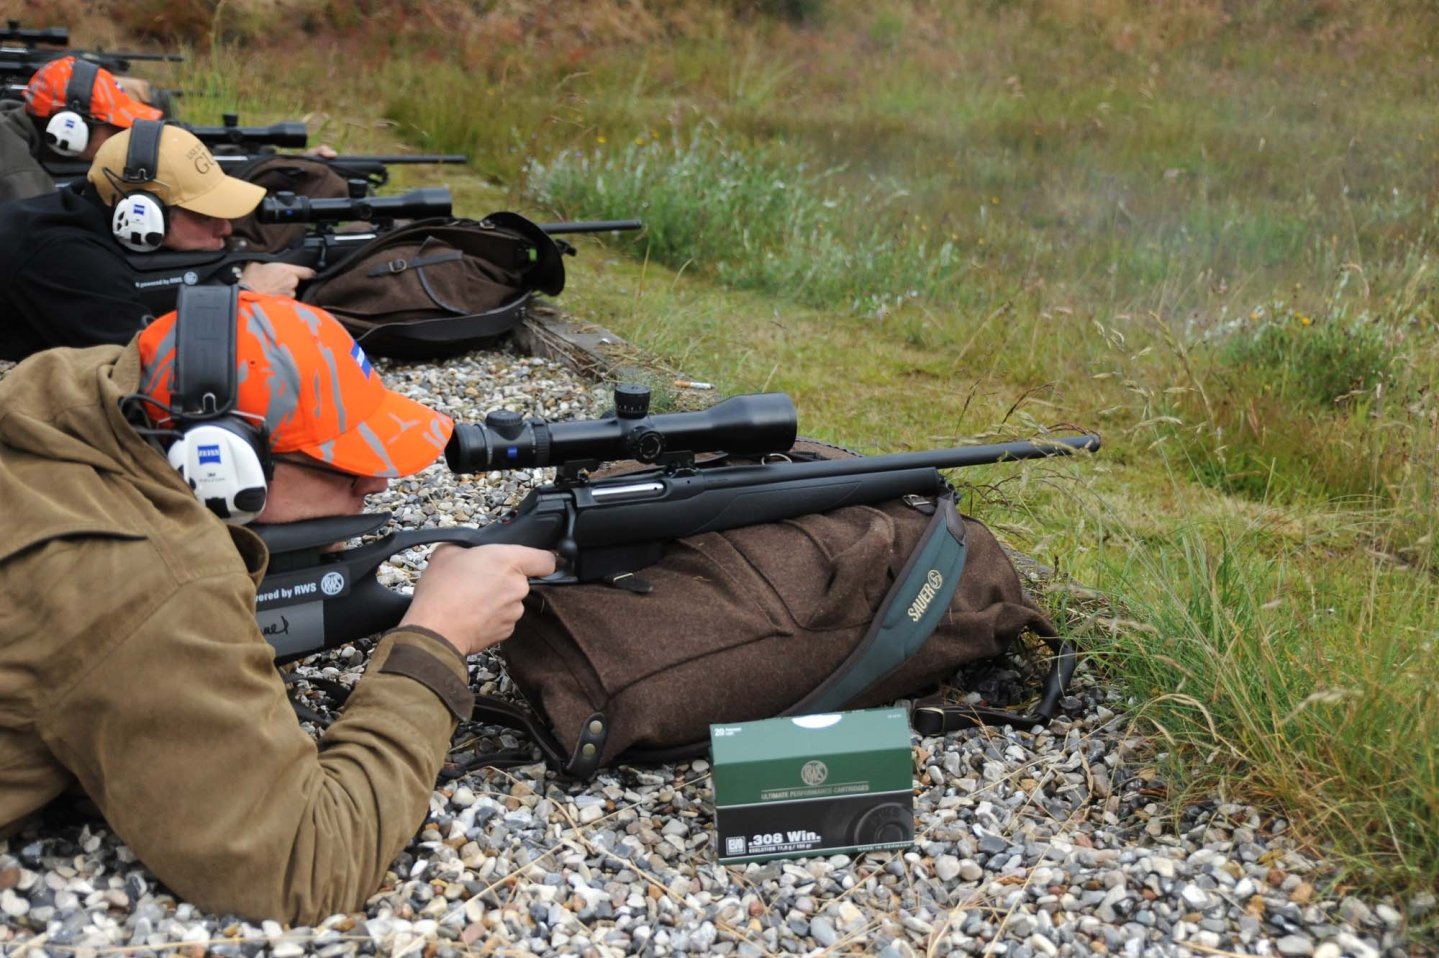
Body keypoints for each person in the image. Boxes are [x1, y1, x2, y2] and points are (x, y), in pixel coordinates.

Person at [0, 289, 557, 923]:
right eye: (343, 464)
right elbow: (304, 865)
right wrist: (437, 637)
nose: (375, 480)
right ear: (222, 465)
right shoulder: (144, 581)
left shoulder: (71, 396)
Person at [0, 120, 315, 361]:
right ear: (141, 214)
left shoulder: (88, 212)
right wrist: (245, 298)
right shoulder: (64, 257)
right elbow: (149, 367)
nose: (226, 230)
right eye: (206, 216)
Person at [0, 55, 164, 204]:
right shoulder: (16, 174)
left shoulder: (15, 127)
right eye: (115, 129)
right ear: (68, 127)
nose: (124, 139)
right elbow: (49, 230)